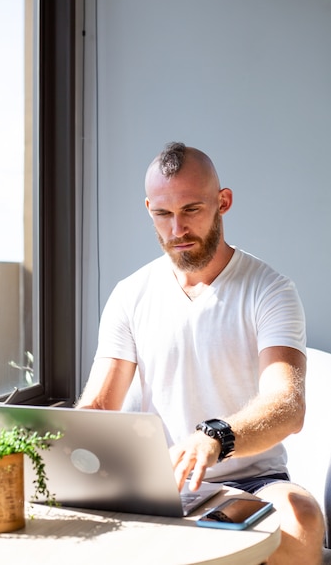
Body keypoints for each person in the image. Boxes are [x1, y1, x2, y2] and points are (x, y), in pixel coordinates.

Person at [77, 142, 325, 564]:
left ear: (222, 202)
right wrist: (51, 447)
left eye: (191, 210)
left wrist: (215, 438)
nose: (177, 230)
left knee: (301, 519)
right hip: (162, 485)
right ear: (149, 210)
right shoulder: (129, 295)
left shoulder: (270, 290)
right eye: (163, 214)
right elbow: (100, 403)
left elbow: (286, 406)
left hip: (253, 482)